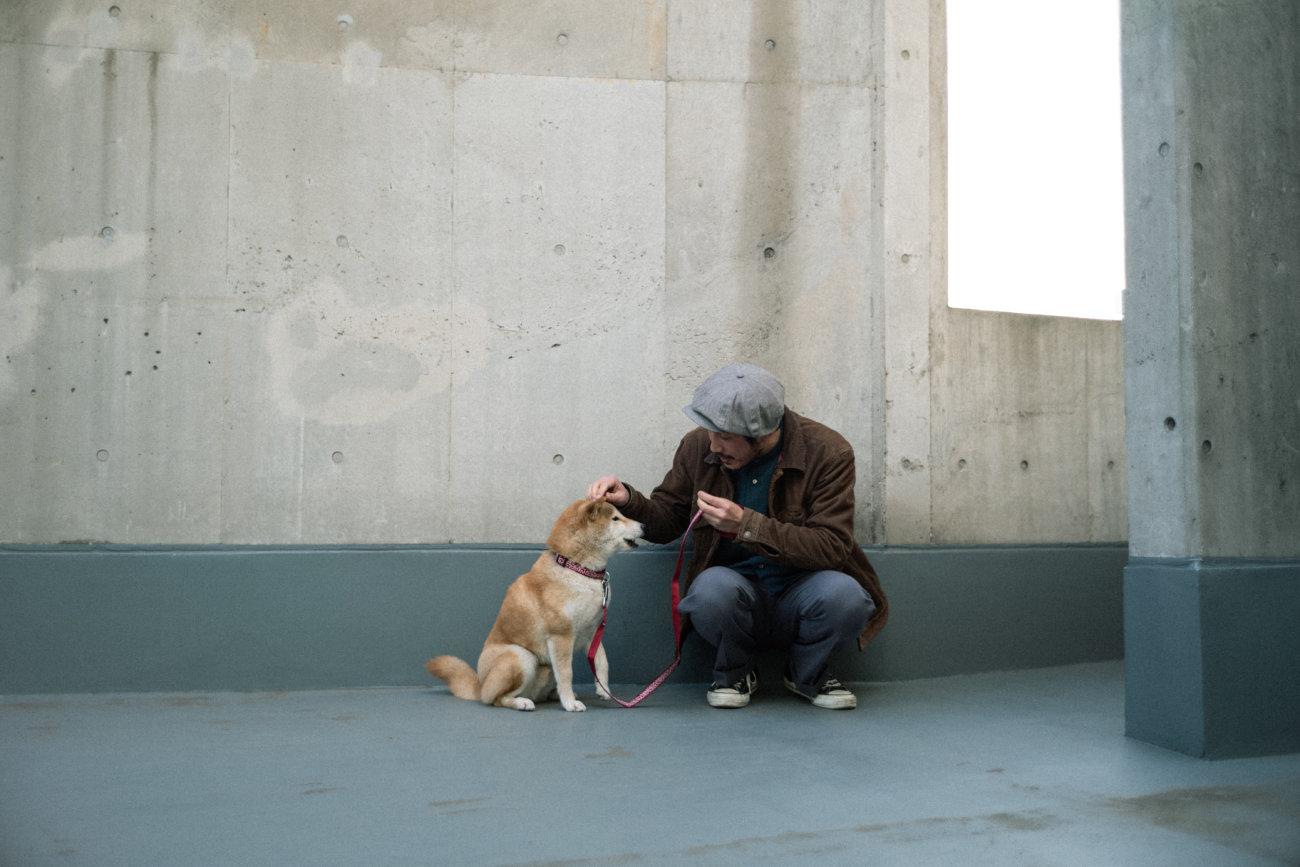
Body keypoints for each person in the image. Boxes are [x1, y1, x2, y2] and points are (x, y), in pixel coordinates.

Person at [586, 363, 888, 709]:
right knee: (710, 591)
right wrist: (629, 500)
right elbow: (669, 520)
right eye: (709, 431)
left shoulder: (829, 452)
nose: (713, 445)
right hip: (734, 593)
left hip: (805, 592)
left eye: (725, 436)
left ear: (762, 435)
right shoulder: (698, 446)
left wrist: (746, 524)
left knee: (847, 597)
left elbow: (832, 547)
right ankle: (735, 671)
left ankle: (808, 672)